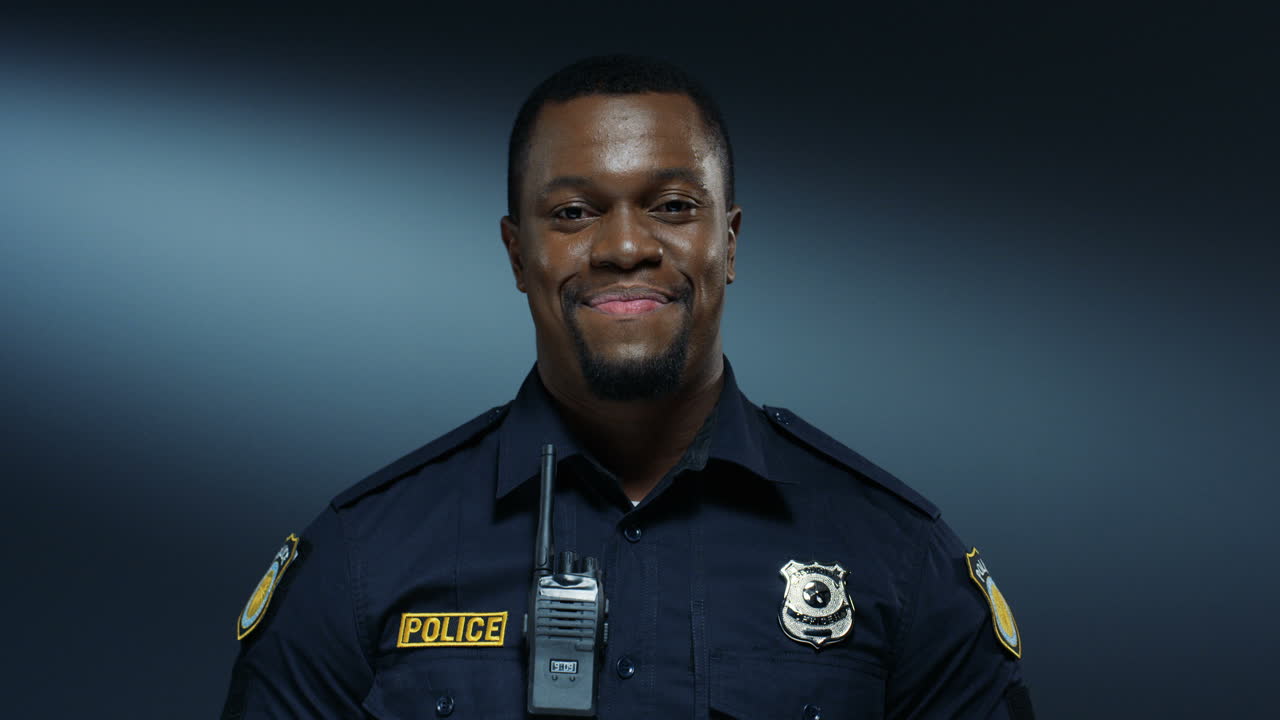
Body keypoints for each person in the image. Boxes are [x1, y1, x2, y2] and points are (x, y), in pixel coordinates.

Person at [221, 54, 1035, 719]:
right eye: (574, 213)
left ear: (730, 241)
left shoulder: (894, 555)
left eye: (673, 205)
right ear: (516, 253)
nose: (623, 246)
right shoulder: (366, 557)